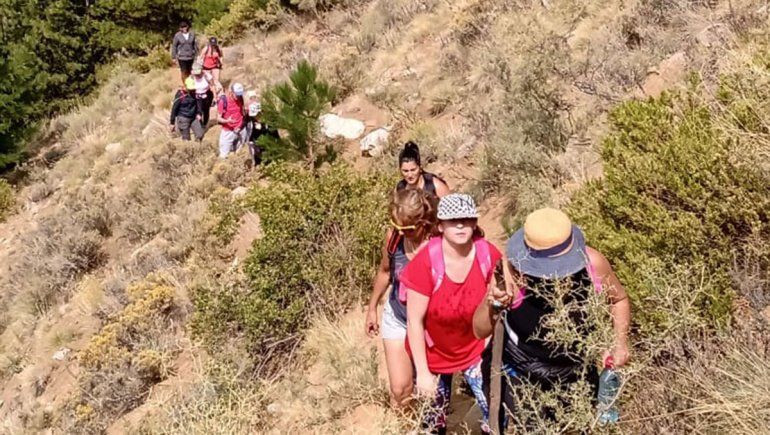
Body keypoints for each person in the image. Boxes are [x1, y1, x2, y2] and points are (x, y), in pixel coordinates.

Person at [473, 208, 631, 430]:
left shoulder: (592, 263)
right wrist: (494, 302)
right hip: (522, 370)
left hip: (576, 371)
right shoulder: (511, 272)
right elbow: (479, 331)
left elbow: (618, 300)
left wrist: (619, 343)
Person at [401, 193, 502, 434]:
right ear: (440, 225)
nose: (460, 225)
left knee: (494, 412)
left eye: (466, 219)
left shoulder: (488, 254)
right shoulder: (426, 262)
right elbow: (414, 321)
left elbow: (499, 303)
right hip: (433, 353)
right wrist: (423, 372)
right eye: (452, 220)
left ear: (475, 223)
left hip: (474, 347)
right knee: (433, 421)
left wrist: (488, 345)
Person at [365, 189, 439, 408]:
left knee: (431, 393)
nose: (400, 231)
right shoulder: (394, 238)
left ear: (423, 221)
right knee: (400, 390)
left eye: (406, 228)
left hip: (431, 324)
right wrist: (372, 308)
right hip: (398, 315)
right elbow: (385, 272)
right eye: (396, 226)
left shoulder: (439, 242)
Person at [217, 82, 246, 159]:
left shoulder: (241, 98)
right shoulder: (223, 101)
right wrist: (227, 121)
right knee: (223, 155)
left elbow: (242, 112)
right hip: (228, 130)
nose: (238, 96)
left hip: (241, 129)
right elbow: (218, 118)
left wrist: (241, 125)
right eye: (237, 94)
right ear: (231, 92)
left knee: (240, 153)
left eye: (240, 94)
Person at [245, 102, 279, 167]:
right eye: (253, 116)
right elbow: (253, 134)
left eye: (256, 115)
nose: (255, 117)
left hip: (272, 147)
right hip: (260, 149)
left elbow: (273, 135)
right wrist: (251, 140)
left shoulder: (269, 120)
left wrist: (262, 128)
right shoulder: (254, 121)